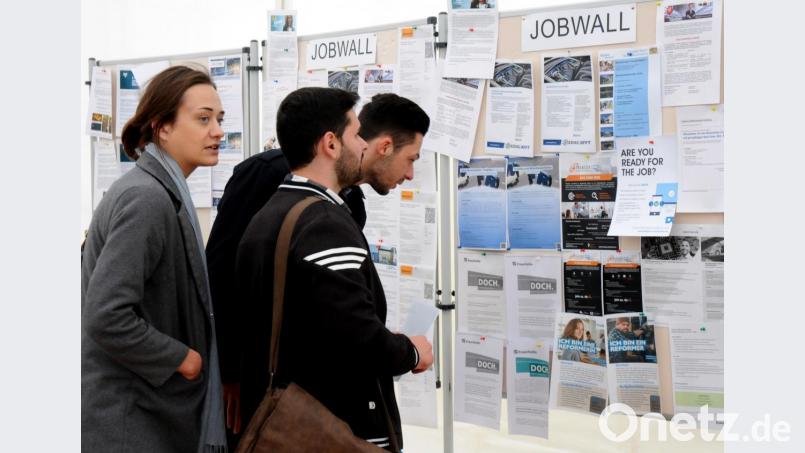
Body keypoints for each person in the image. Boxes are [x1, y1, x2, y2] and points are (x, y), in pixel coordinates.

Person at [205, 93, 429, 444]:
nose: (363, 145)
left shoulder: (306, 208)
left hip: (300, 411)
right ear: (331, 144)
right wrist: (410, 351)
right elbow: (357, 338)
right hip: (315, 421)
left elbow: (322, 312)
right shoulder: (317, 217)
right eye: (356, 136)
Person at [81, 65, 227, 452]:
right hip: (133, 422)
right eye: (203, 119)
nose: (217, 131)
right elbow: (106, 314)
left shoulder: (159, 190)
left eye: (218, 119)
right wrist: (184, 358)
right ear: (162, 127)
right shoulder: (147, 198)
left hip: (147, 415)